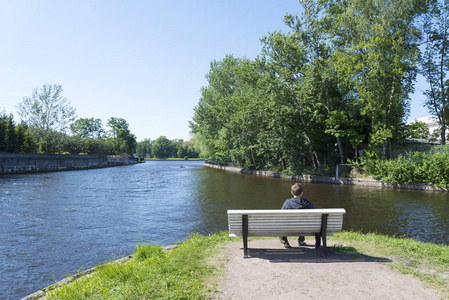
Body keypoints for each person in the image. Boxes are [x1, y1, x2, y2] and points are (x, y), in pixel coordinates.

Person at [279, 183, 318, 248]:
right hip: (305, 227)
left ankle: (285, 242)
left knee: (281, 223)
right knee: (302, 222)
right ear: (302, 193)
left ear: (292, 192)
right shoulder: (308, 203)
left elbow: (281, 215)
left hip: (290, 227)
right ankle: (301, 241)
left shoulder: (287, 203)